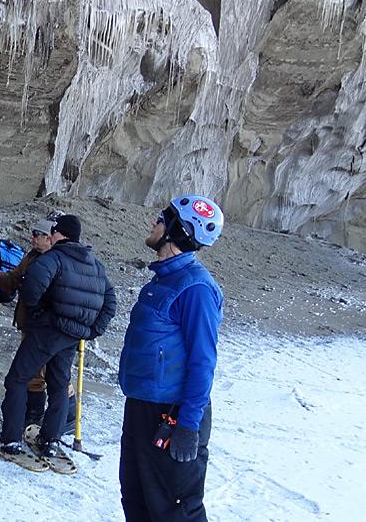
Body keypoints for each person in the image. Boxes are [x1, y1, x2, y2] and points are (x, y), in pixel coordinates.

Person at [118, 195, 224, 522]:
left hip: (172, 415)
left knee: (174, 511)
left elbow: (202, 361)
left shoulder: (196, 288)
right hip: (141, 407)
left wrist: (188, 425)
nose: (154, 221)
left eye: (162, 217)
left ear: (178, 230)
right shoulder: (163, 280)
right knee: (136, 498)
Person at [0, 213, 116, 457]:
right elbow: (110, 303)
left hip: (47, 331)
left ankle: (11, 439)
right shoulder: (95, 264)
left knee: (17, 379)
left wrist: (39, 315)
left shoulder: (54, 258)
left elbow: (30, 290)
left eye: (54, 231)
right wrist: (92, 330)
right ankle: (51, 441)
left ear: (59, 234)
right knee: (58, 385)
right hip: (72, 336)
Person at [0, 216, 78, 430]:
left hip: (48, 328)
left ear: (50, 238)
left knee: (54, 373)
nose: (33, 238)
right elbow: (16, 277)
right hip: (30, 323)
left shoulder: (58, 262)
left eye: (38, 235)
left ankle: (68, 416)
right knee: (35, 372)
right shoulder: (32, 256)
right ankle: (34, 413)